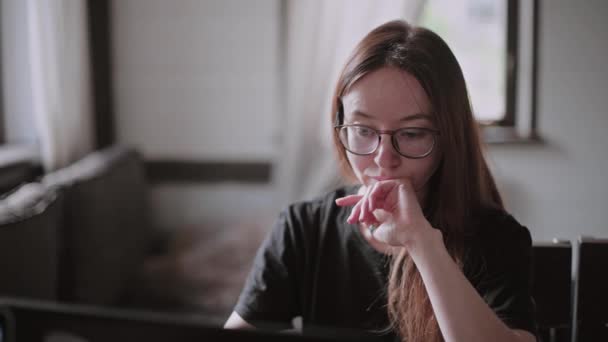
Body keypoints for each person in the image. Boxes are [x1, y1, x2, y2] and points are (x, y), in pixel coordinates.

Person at [224, 20, 537, 342]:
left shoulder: (496, 238)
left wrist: (422, 243)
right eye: (362, 131)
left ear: (449, 139)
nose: (383, 158)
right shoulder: (304, 227)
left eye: (412, 133)